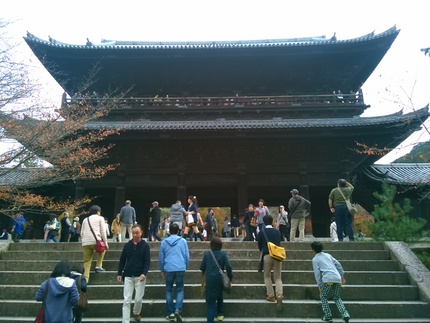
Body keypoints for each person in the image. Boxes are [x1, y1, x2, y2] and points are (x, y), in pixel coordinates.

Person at [117, 224, 151, 323]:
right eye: (133, 233)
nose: (135, 235)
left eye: (137, 233)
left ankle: (136, 312)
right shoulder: (127, 246)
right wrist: (119, 273)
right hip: (128, 275)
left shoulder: (145, 246)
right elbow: (122, 260)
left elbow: (147, 262)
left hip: (140, 276)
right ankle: (125, 321)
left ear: (141, 233)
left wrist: (144, 273)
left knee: (138, 299)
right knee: (127, 300)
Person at [311, 241, 350, 323]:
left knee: (323, 296)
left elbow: (317, 274)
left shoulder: (315, 259)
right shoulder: (328, 255)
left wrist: (320, 285)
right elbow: (338, 264)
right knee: (337, 297)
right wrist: (342, 276)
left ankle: (328, 316)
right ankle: (345, 314)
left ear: (313, 250)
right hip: (337, 278)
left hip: (327, 279)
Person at [158, 223, 190, 322]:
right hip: (180, 267)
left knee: (169, 290)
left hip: (169, 267)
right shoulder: (183, 241)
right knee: (180, 289)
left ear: (169, 231)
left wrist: (162, 269)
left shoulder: (164, 242)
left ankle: (170, 312)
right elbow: (187, 256)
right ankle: (178, 309)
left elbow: (161, 257)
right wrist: (185, 265)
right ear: (178, 231)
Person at [200, 237, 233, 323]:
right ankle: (220, 314)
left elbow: (202, 267)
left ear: (211, 245)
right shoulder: (223, 254)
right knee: (220, 294)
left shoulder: (207, 255)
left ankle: (210, 320)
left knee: (211, 304)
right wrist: (230, 278)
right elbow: (229, 267)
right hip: (219, 279)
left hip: (210, 280)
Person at [257, 215, 283, 306]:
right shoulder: (277, 232)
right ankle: (279, 295)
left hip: (267, 255)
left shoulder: (261, 232)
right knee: (278, 277)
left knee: (267, 276)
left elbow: (259, 245)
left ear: (263, 222)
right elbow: (279, 242)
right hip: (277, 255)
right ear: (272, 222)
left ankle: (271, 295)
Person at [81, 205, 109, 283]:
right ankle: (98, 266)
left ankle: (85, 280)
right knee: (103, 250)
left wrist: (84, 241)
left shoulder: (85, 219)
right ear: (98, 212)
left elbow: (82, 232)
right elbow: (103, 232)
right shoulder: (100, 218)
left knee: (87, 261)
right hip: (96, 241)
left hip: (85, 242)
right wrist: (106, 243)